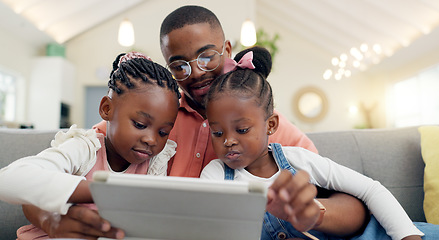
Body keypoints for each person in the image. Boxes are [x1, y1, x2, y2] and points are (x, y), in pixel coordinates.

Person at [20, 5, 369, 238]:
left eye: (207, 56)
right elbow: (45, 180)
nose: (196, 72)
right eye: (179, 64)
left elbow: (355, 207)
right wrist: (51, 219)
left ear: (228, 50)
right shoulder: (149, 125)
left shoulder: (269, 130)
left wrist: (315, 212)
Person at [200, 46, 439, 240]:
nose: (229, 141)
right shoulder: (215, 175)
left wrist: (407, 236)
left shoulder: (297, 159)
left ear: (271, 125)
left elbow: (371, 189)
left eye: (242, 129)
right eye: (217, 133)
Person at [0, 52, 181, 239]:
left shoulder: (156, 163)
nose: (151, 140)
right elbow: (9, 180)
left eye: (163, 133)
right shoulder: (84, 148)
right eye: (140, 125)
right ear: (106, 109)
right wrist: (102, 193)